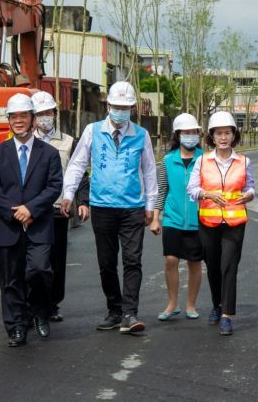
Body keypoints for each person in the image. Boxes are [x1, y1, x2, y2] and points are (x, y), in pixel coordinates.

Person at [61, 81, 158, 334]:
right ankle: (114, 310)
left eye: (126, 107)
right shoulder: (92, 131)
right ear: (108, 106)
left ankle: (130, 313)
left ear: (133, 108)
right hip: (102, 207)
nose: (121, 111)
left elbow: (149, 171)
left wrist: (151, 205)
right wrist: (69, 194)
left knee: (132, 260)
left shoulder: (141, 135)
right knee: (106, 262)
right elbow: (77, 163)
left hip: (132, 207)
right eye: (116, 106)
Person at [0, 94, 63, 347]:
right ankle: (16, 325)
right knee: (10, 280)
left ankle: (40, 312)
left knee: (40, 269)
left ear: (32, 119)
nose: (18, 121)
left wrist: (31, 209)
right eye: (13, 117)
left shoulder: (49, 153)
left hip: (38, 223)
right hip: (7, 225)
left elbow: (54, 186)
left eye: (23, 116)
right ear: (9, 120)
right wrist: (13, 211)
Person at [186, 111, 255, 336]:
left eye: (227, 133)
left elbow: (250, 187)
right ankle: (216, 305)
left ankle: (226, 314)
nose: (223, 137)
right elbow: (192, 190)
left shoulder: (244, 161)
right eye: (219, 133)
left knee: (229, 266)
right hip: (208, 221)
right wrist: (207, 194)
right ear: (212, 137)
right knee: (214, 267)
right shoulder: (202, 160)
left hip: (235, 222)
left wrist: (249, 195)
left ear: (234, 135)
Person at [31, 90, 88, 323]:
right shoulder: (26, 140)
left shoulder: (68, 142)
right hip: (32, 211)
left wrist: (82, 201)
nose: (45, 117)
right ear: (33, 117)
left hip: (58, 209)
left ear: (55, 113)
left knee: (56, 260)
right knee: (35, 262)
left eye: (48, 112)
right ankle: (32, 304)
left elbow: (80, 173)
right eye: (40, 113)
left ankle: (52, 303)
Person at [151, 113, 205, 323]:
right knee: (171, 260)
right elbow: (162, 189)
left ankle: (190, 304)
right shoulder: (167, 160)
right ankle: (172, 303)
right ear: (178, 135)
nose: (190, 136)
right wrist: (156, 217)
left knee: (195, 262)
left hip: (197, 219)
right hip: (172, 218)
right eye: (186, 132)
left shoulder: (205, 158)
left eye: (193, 132)